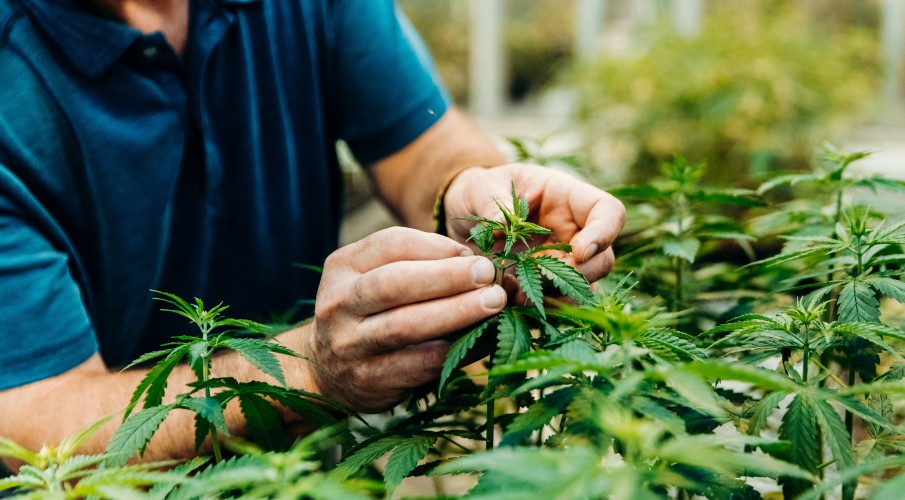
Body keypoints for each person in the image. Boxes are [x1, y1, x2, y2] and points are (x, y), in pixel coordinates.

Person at [0, 0, 624, 464]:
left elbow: (424, 144)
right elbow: (32, 421)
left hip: (307, 469)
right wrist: (309, 372)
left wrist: (466, 188)